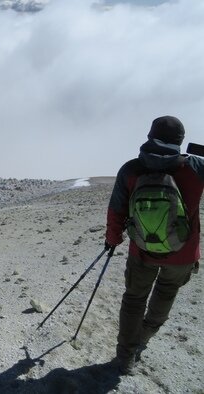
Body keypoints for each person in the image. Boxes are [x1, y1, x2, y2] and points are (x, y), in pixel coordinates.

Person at [105, 115, 204, 375]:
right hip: (182, 254)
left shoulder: (131, 169)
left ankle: (125, 357)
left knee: (134, 300)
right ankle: (143, 339)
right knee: (166, 294)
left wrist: (113, 239)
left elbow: (116, 210)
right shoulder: (195, 167)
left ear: (150, 136)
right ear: (180, 141)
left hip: (142, 252)